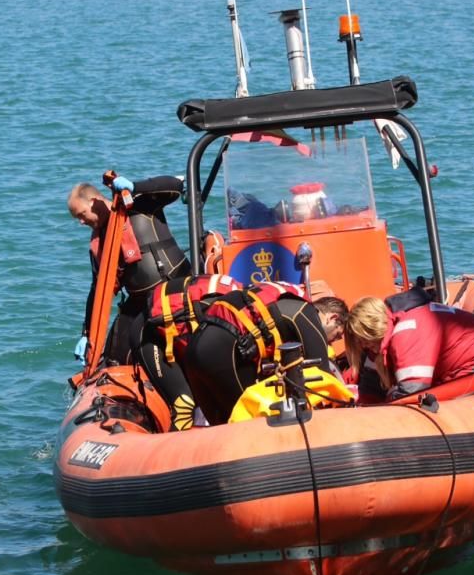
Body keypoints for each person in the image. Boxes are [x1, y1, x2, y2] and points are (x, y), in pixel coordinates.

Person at [67, 175, 191, 365]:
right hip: (140, 302)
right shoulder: (98, 244)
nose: (81, 222)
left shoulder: (137, 206)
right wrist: (87, 333)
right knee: (114, 354)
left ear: (93, 202)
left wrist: (135, 187)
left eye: (81, 214)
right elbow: (97, 291)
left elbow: (175, 185)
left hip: (174, 286)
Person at [182, 282, 346, 425]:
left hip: (194, 348)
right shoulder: (308, 314)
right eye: (338, 335)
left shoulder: (284, 299)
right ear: (332, 318)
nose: (331, 342)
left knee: (221, 428)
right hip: (224, 351)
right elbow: (323, 378)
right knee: (246, 425)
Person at [344, 287, 474, 402]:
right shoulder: (387, 332)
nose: (363, 346)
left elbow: (412, 391)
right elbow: (370, 387)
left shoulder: (407, 331)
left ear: (372, 330)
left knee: (445, 405)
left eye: (363, 340)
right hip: (465, 356)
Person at [133, 273, 244, 430]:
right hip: (150, 333)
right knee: (183, 404)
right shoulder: (231, 326)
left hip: (190, 328)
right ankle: (172, 451)